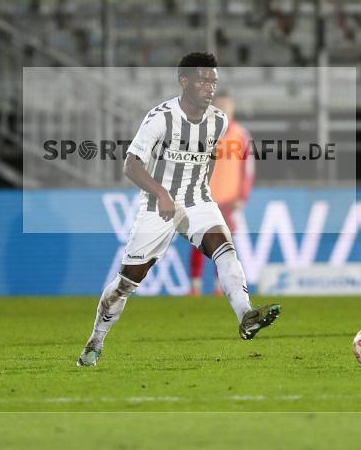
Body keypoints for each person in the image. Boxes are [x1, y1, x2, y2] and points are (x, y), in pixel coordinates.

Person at [76, 52, 280, 367]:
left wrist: (203, 191)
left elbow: (210, 155)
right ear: (184, 81)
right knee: (127, 282)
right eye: (202, 79)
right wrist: (160, 193)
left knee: (225, 251)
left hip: (198, 200)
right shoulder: (160, 118)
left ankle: (246, 315)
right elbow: (131, 165)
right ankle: (95, 341)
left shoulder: (219, 120)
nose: (209, 86)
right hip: (159, 205)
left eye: (213, 80)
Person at [188, 89, 255, 296]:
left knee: (224, 244)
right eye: (219, 106)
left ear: (232, 108)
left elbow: (248, 168)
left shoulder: (241, 135)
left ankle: (220, 287)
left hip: (227, 200)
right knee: (199, 241)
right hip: (203, 198)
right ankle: (195, 286)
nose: (223, 110)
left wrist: (242, 196)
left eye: (226, 106)